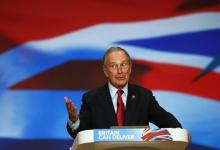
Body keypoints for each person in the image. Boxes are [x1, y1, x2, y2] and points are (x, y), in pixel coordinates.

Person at [65, 46, 182, 139]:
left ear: (130, 68)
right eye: (113, 66)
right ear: (105, 71)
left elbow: (173, 127)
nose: (120, 71)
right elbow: (79, 136)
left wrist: (179, 135)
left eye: (123, 64)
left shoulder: (144, 97)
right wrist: (74, 120)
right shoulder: (91, 99)